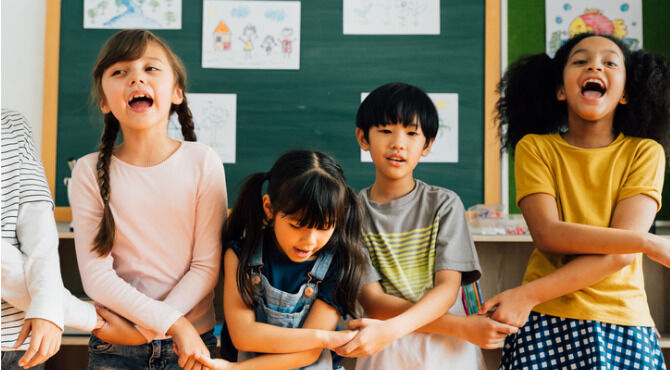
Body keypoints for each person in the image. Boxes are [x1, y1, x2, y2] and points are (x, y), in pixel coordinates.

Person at [486, 33, 670, 369]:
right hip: (544, 316)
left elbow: (619, 256)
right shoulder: (535, 148)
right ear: (560, 89)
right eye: (580, 60)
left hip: (623, 320)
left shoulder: (645, 153)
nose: (595, 65)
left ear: (627, 92)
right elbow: (549, 234)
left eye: (610, 62)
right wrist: (646, 242)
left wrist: (527, 294)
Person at [68, 29, 227, 369]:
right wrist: (173, 324)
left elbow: (205, 266)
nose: (136, 77)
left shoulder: (203, 161)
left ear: (177, 92)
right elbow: (96, 277)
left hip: (189, 346)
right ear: (105, 101)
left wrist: (145, 330)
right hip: (117, 350)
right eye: (119, 72)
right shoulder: (87, 171)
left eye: (151, 69)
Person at [337, 82, 516, 369]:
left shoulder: (444, 204)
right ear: (363, 137)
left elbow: (447, 289)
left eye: (411, 133)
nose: (398, 143)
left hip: (445, 351)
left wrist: (452, 329)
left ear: (428, 145)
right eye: (385, 131)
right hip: (387, 348)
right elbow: (373, 301)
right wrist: (459, 327)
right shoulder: (352, 215)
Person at [197, 149, 368, 370]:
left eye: (324, 228)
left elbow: (308, 354)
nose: (309, 241)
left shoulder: (338, 263)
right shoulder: (240, 255)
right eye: (297, 226)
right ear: (269, 208)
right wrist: (323, 337)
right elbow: (244, 335)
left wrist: (234, 369)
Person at [1, 109, 106, 369]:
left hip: (24, 338)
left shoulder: (13, 124)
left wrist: (48, 307)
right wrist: (86, 317)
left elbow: (39, 225)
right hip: (41, 318)